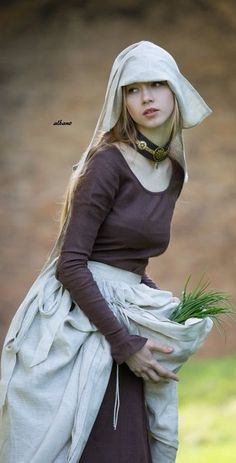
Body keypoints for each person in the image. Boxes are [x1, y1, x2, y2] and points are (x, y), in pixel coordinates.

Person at [0, 41, 212, 463]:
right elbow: (72, 264)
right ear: (122, 99)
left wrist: (156, 304)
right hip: (79, 325)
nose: (147, 98)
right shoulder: (107, 162)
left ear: (175, 90)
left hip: (123, 321)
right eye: (133, 89)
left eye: (156, 85)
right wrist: (124, 343)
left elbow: (128, 261)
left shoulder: (173, 172)